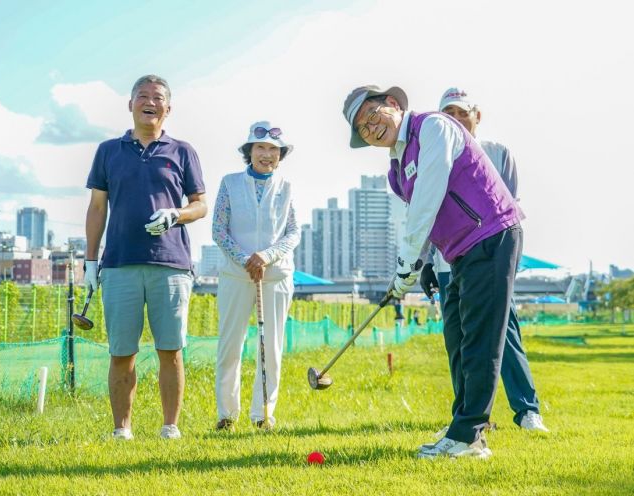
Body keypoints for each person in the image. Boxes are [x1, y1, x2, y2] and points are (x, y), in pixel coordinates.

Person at [343, 84, 524, 459]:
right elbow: (419, 216)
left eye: (372, 115)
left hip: (490, 235)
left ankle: (468, 437)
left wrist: (406, 264)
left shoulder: (432, 127)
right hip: (459, 251)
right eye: (362, 128)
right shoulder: (396, 168)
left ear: (393, 104)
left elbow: (430, 193)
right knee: (458, 339)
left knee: (479, 341)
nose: (371, 128)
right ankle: (465, 424)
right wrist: (416, 265)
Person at [84, 75, 207, 441]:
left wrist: (176, 214)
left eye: (157, 98)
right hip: (120, 263)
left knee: (170, 350)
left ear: (168, 108)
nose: (149, 102)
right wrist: (91, 261)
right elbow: (96, 207)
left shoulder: (182, 151)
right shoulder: (108, 150)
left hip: (171, 264)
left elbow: (200, 205)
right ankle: (122, 429)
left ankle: (170, 427)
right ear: (130, 104)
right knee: (122, 352)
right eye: (142, 96)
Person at [419, 88, 548, 432]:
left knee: (503, 334)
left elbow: (509, 208)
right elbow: (426, 210)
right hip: (449, 261)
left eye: (463, 113)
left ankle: (527, 410)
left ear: (477, 116)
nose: (457, 120)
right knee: (458, 341)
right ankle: (468, 417)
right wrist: (427, 262)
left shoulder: (498, 152)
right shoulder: (434, 153)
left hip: (489, 258)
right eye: (449, 114)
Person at [212, 121, 300, 431]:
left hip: (275, 276)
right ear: (249, 151)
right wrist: (245, 259)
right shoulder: (230, 183)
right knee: (230, 345)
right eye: (260, 148)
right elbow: (219, 230)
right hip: (236, 276)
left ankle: (263, 415)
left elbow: (293, 232)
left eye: (274, 150)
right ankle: (226, 414)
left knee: (271, 348)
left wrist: (266, 256)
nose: (266, 154)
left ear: (280, 155)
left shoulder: (286, 187)